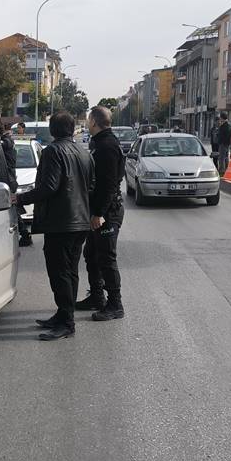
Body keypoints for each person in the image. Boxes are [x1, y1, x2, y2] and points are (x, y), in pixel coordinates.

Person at [16, 111, 93, 341]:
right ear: (72, 129)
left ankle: (67, 322)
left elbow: (49, 187)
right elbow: (92, 185)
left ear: (52, 129)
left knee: (59, 272)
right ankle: (63, 314)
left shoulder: (53, 151)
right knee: (70, 271)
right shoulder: (83, 151)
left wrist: (19, 198)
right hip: (80, 220)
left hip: (61, 222)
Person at [75, 106, 125, 322]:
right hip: (99, 210)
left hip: (107, 213)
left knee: (106, 258)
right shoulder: (99, 142)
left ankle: (115, 304)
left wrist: (99, 213)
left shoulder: (107, 145)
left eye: (88, 119)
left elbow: (109, 184)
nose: (87, 122)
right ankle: (97, 297)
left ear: (94, 121)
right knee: (91, 255)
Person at [0, 120, 32, 246]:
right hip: (9, 180)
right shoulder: (8, 140)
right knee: (11, 207)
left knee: (12, 207)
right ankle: (24, 233)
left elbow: (2, 144)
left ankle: (25, 234)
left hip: (8, 180)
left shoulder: (6, 141)